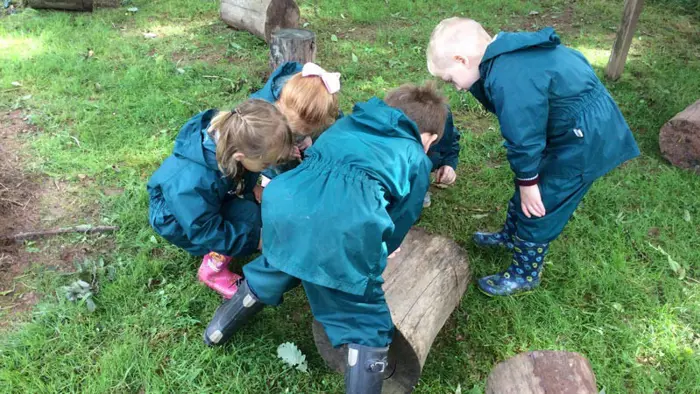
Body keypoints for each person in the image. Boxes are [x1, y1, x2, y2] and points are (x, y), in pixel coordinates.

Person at [203, 82, 448, 394]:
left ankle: (217, 330)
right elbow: (403, 215)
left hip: (287, 202)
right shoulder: (416, 157)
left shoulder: (347, 122)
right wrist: (386, 247)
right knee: (364, 315)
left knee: (279, 264)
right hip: (344, 226)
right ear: (428, 137)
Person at [427, 18, 640, 296]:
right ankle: (509, 235)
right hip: (568, 127)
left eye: (450, 79)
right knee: (530, 185)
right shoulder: (505, 54)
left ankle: (525, 273)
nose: (455, 87)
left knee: (542, 201)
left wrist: (528, 183)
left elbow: (524, 136)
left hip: (585, 141)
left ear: (462, 59)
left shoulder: (510, 78)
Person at [147, 99, 294, 298]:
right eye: (266, 162)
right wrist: (254, 240)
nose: (269, 166)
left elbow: (236, 176)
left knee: (251, 212)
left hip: (204, 203)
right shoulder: (193, 182)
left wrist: (252, 187)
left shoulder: (233, 141)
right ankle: (212, 270)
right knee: (247, 220)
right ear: (240, 156)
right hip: (177, 219)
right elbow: (205, 230)